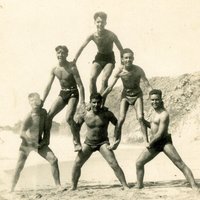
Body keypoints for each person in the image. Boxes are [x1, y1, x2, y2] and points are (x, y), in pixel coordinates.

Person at [135, 89, 199, 191]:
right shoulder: (153, 112)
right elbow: (153, 126)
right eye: (152, 100)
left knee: (180, 163)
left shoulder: (164, 114)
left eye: (156, 100)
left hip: (164, 142)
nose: (154, 102)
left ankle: (194, 186)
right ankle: (139, 185)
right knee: (139, 163)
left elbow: (160, 134)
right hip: (154, 143)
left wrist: (148, 143)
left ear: (161, 100)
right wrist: (143, 121)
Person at [70, 93, 129, 190]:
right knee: (77, 163)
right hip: (89, 143)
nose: (96, 105)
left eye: (98, 102)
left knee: (113, 163)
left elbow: (118, 125)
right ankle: (73, 186)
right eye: (93, 102)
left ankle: (125, 185)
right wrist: (76, 140)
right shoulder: (85, 114)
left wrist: (116, 140)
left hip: (103, 143)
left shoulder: (107, 114)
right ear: (90, 103)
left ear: (101, 103)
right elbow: (76, 128)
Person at [10, 93, 60, 192]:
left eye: (36, 99)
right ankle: (11, 188)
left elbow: (47, 129)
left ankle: (58, 185)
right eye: (32, 101)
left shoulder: (44, 113)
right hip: (26, 144)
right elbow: (21, 133)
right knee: (19, 166)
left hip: (39, 143)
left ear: (40, 101)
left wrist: (46, 140)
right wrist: (31, 143)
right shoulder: (29, 116)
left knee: (53, 160)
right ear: (29, 103)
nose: (34, 102)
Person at [102, 48, 152, 145]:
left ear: (133, 59)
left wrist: (154, 94)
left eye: (130, 58)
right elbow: (110, 87)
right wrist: (101, 97)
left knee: (140, 118)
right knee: (121, 119)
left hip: (137, 95)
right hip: (125, 95)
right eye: (126, 58)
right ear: (122, 59)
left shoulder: (138, 70)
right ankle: (115, 141)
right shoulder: (119, 70)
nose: (128, 60)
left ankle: (146, 140)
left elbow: (147, 84)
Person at [42, 45, 85, 151]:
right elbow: (48, 86)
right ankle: (46, 140)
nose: (60, 55)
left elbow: (80, 85)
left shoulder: (72, 67)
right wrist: (43, 100)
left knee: (69, 118)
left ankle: (77, 142)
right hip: (63, 93)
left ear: (66, 54)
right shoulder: (54, 69)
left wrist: (82, 102)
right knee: (48, 116)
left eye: (63, 53)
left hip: (73, 93)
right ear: (56, 54)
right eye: (58, 53)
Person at [73, 11, 123, 95]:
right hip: (99, 57)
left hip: (109, 58)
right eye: (98, 22)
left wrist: (122, 63)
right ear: (94, 22)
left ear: (105, 23)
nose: (100, 24)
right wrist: (74, 60)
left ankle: (101, 102)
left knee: (104, 79)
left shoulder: (111, 35)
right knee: (92, 78)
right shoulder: (93, 35)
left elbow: (121, 49)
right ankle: (93, 99)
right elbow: (82, 47)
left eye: (102, 22)